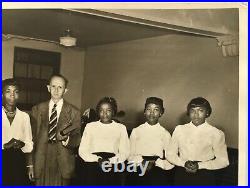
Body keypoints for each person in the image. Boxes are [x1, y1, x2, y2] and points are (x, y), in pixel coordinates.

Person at [30, 74, 81, 185]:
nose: (56, 90)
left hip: (63, 162)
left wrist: (67, 139)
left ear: (65, 90)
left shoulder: (74, 112)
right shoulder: (37, 109)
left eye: (60, 87)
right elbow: (31, 139)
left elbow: (77, 138)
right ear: (48, 88)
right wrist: (30, 164)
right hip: (41, 159)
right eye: (53, 86)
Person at [166, 97, 229, 185]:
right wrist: (183, 163)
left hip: (205, 176)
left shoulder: (216, 133)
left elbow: (223, 161)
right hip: (182, 174)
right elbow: (170, 154)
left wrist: (200, 165)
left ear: (207, 113)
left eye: (200, 110)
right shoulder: (179, 129)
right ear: (189, 113)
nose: (196, 114)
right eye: (192, 111)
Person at [78, 97, 130, 185]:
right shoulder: (90, 126)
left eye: (108, 110)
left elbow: (125, 152)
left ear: (113, 112)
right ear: (98, 112)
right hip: (93, 165)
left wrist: (110, 161)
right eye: (101, 110)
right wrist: (98, 159)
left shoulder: (121, 128)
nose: (104, 114)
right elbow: (82, 150)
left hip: (113, 166)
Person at [128, 97, 174, 185]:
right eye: (149, 109)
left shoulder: (165, 134)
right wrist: (141, 161)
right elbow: (129, 155)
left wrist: (156, 163)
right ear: (144, 112)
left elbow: (171, 159)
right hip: (138, 169)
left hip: (157, 171)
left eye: (156, 110)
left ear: (161, 113)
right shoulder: (136, 131)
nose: (152, 113)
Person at [2, 78, 34, 185]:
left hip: (17, 161)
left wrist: (30, 167)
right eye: (8, 91)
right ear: (2, 94)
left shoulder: (24, 117)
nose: (12, 95)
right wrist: (5, 145)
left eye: (15, 92)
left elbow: (29, 144)